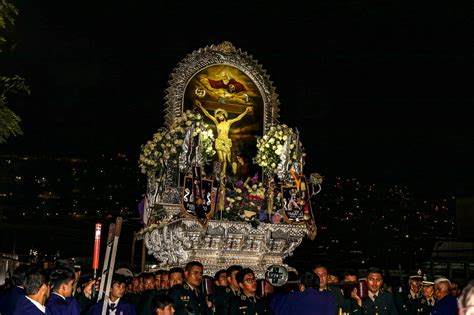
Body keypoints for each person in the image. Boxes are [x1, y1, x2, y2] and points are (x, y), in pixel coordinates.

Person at [194, 99, 251, 178]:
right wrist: (201, 106)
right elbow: (207, 115)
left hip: (226, 141)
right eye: (218, 116)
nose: (219, 117)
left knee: (225, 159)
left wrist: (246, 111)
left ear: (223, 115)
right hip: (219, 141)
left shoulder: (229, 122)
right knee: (221, 159)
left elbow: (239, 118)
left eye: (220, 115)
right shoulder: (217, 123)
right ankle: (219, 173)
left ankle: (223, 174)